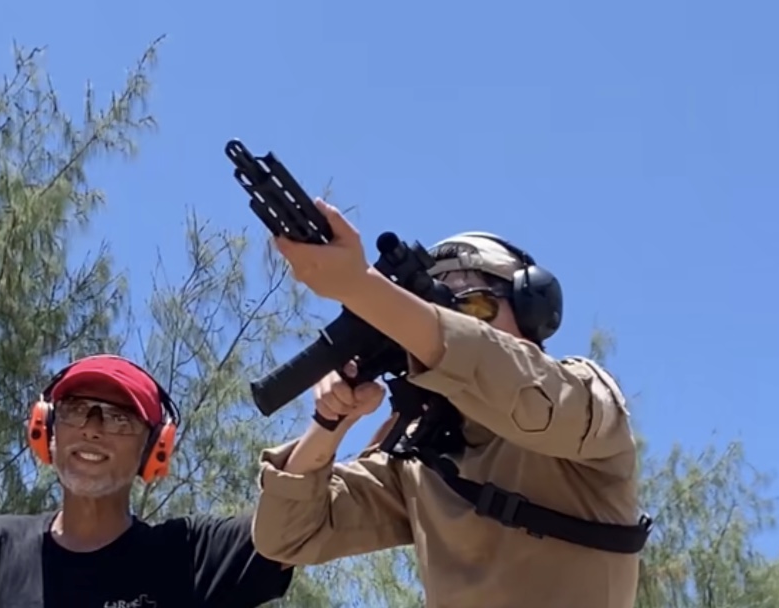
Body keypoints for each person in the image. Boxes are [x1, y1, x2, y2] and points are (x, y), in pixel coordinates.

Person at [251, 199, 652, 608]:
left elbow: (513, 382)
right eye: (441, 311)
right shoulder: (422, 458)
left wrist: (361, 287)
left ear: (531, 310)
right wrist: (330, 421)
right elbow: (287, 536)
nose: (460, 322)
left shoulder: (584, 402)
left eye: (475, 306)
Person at [0, 354, 294, 608]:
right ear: (46, 428)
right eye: (76, 409)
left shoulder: (185, 557)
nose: (92, 429)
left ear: (154, 447)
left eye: (119, 418)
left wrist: (323, 424)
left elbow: (292, 522)